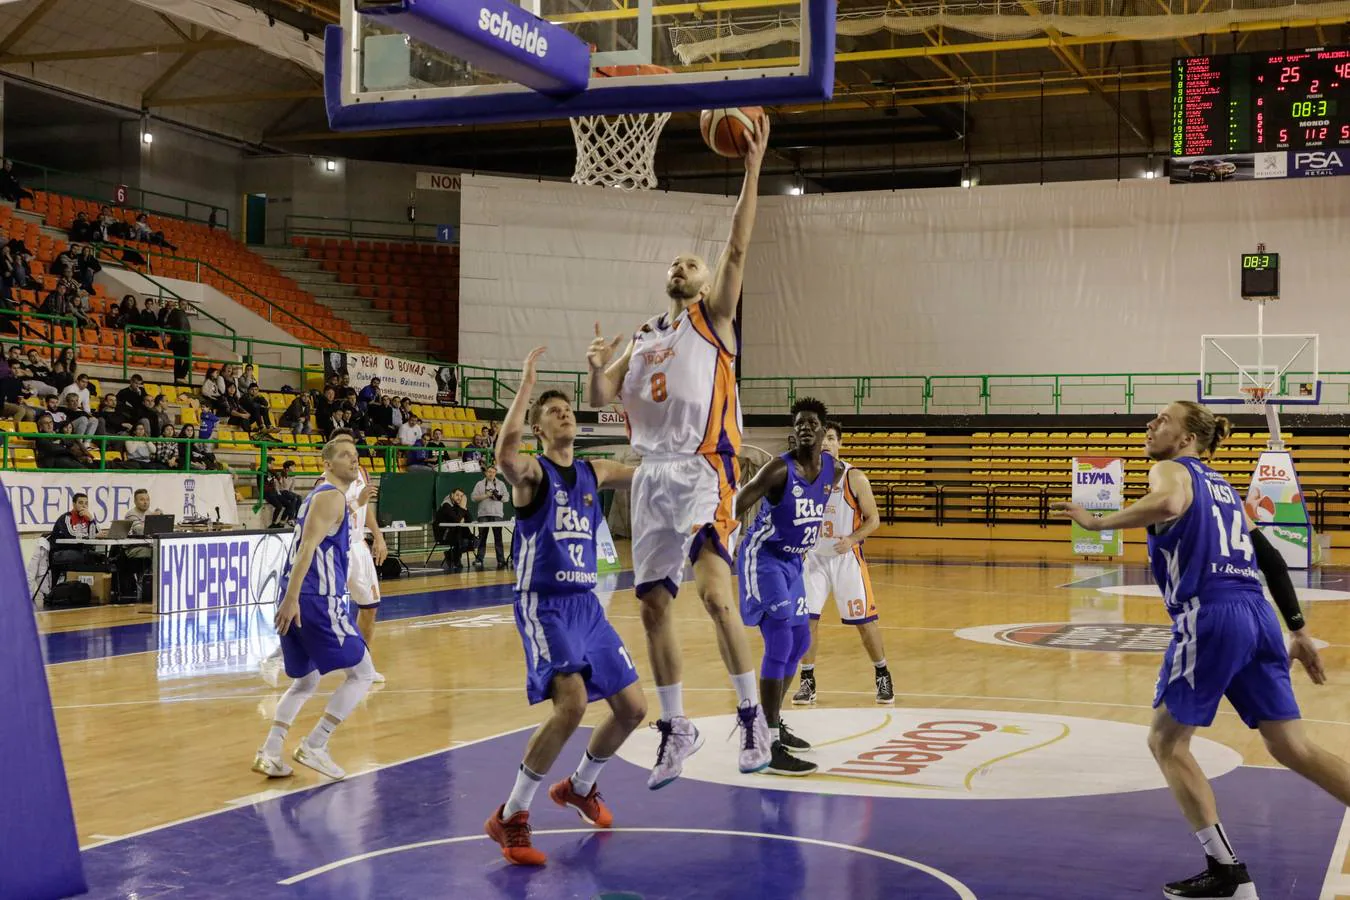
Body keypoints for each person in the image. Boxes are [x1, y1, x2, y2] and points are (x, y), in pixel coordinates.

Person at [1054, 401, 1350, 898]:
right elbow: (1271, 557)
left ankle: (1226, 873)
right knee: (1291, 747)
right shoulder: (1227, 491)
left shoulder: (1170, 469)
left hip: (1211, 615)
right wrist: (1296, 629)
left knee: (1167, 743)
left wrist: (1097, 523)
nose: (1150, 426)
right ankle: (1226, 871)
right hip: (1258, 617)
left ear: (1189, 438)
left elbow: (1167, 505)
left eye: (1163, 420)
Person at [585, 113, 773, 786]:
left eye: (692, 263)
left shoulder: (712, 318)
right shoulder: (643, 335)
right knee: (653, 605)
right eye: (677, 262)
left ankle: (752, 716)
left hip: (705, 468)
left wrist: (751, 170)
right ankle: (676, 727)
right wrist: (597, 365)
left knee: (717, 593)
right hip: (651, 474)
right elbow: (604, 396)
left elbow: (739, 249)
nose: (684, 266)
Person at [484, 347, 645, 866]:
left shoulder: (594, 471)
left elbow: (645, 473)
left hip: (587, 607)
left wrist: (701, 459)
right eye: (552, 412)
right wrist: (527, 385)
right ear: (538, 429)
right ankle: (511, 814)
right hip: (544, 605)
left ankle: (579, 786)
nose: (565, 413)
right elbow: (504, 457)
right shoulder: (531, 474)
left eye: (568, 408)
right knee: (572, 705)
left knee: (634, 708)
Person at [251, 439, 377, 781]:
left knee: (305, 681)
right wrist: (292, 599)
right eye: (344, 455)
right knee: (363, 673)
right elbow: (307, 549)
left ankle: (271, 751)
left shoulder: (327, 498)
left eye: (355, 455)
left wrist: (357, 505)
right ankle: (316, 744)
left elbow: (324, 533)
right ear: (327, 463)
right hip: (317, 598)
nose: (353, 460)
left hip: (302, 595)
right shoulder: (330, 496)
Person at [732, 398, 836, 777]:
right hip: (764, 559)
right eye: (799, 424)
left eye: (812, 423)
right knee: (779, 642)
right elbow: (739, 501)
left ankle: (770, 720)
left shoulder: (832, 471)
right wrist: (717, 531)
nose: (805, 428)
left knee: (800, 643)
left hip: (794, 563)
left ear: (824, 432)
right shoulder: (779, 469)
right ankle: (767, 741)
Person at [793, 421, 891, 706]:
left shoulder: (854, 477)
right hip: (813, 559)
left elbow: (873, 519)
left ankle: (882, 673)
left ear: (840, 444)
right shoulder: (803, 476)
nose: (825, 443)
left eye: (831, 439)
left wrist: (852, 538)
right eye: (822, 439)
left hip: (846, 558)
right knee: (806, 619)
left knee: (864, 622)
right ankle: (807, 681)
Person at [471, 464, 510, 569]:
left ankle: (501, 560)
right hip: (483, 514)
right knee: (482, 538)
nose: (491, 474)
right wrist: (486, 496)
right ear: (486, 473)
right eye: (489, 472)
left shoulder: (501, 484)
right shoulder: (479, 484)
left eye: (493, 472)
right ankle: (479, 559)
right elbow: (473, 498)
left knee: (498, 538)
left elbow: (507, 498)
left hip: (497, 514)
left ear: (495, 473)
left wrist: (498, 497)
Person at [434, 489, 473, 571]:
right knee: (461, 539)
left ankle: (451, 554)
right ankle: (454, 557)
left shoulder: (458, 505)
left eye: (461, 496)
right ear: (452, 495)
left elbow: (469, 520)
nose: (459, 498)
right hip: (444, 535)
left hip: (454, 534)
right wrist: (462, 509)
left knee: (473, 541)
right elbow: (457, 520)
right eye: (457, 495)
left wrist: (464, 507)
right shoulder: (446, 505)